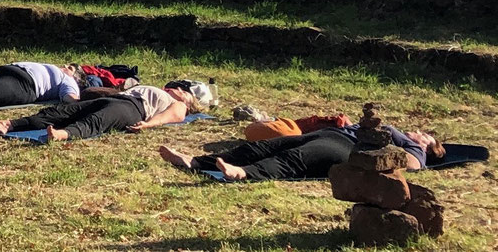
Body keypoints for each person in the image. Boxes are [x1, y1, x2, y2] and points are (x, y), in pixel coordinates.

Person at [160, 124, 446, 181]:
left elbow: (412, 165)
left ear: (427, 145)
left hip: (345, 149)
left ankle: (244, 173)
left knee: (292, 160)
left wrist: (391, 145)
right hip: (331, 134)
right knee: (262, 146)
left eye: (425, 135)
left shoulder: (414, 151)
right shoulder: (397, 129)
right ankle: (195, 161)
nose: (419, 132)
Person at [0, 80, 216, 141]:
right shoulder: (160, 89)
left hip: (134, 109)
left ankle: (63, 135)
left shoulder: (180, 105)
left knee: (97, 121)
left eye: (182, 90)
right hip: (121, 98)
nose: (176, 89)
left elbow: (172, 116)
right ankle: (8, 125)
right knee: (61, 111)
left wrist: (149, 124)